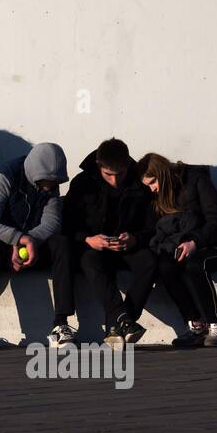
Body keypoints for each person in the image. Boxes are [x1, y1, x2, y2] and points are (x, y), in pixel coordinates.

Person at [0, 143, 73, 350]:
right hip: (1, 244)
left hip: (30, 245)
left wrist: (28, 240)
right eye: (44, 182)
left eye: (54, 183)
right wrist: (18, 239)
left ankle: (61, 324)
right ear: (34, 173)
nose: (48, 188)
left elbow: (52, 223)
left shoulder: (51, 183)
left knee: (62, 243)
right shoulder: (5, 177)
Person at [64, 138, 158, 343]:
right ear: (98, 166)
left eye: (120, 174)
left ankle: (120, 325)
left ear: (127, 166)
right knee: (90, 261)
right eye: (108, 174)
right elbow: (67, 225)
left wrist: (134, 239)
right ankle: (124, 321)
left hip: (129, 247)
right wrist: (88, 239)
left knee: (149, 261)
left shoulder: (139, 183)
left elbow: (153, 226)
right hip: (93, 247)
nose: (115, 181)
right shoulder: (82, 183)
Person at [139, 152, 217, 347]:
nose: (152, 189)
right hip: (180, 246)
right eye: (147, 185)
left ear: (162, 174)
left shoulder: (197, 180)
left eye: (153, 182)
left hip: (213, 245)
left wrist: (195, 242)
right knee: (165, 266)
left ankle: (216, 326)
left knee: (195, 265)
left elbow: (216, 221)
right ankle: (195, 325)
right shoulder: (157, 198)